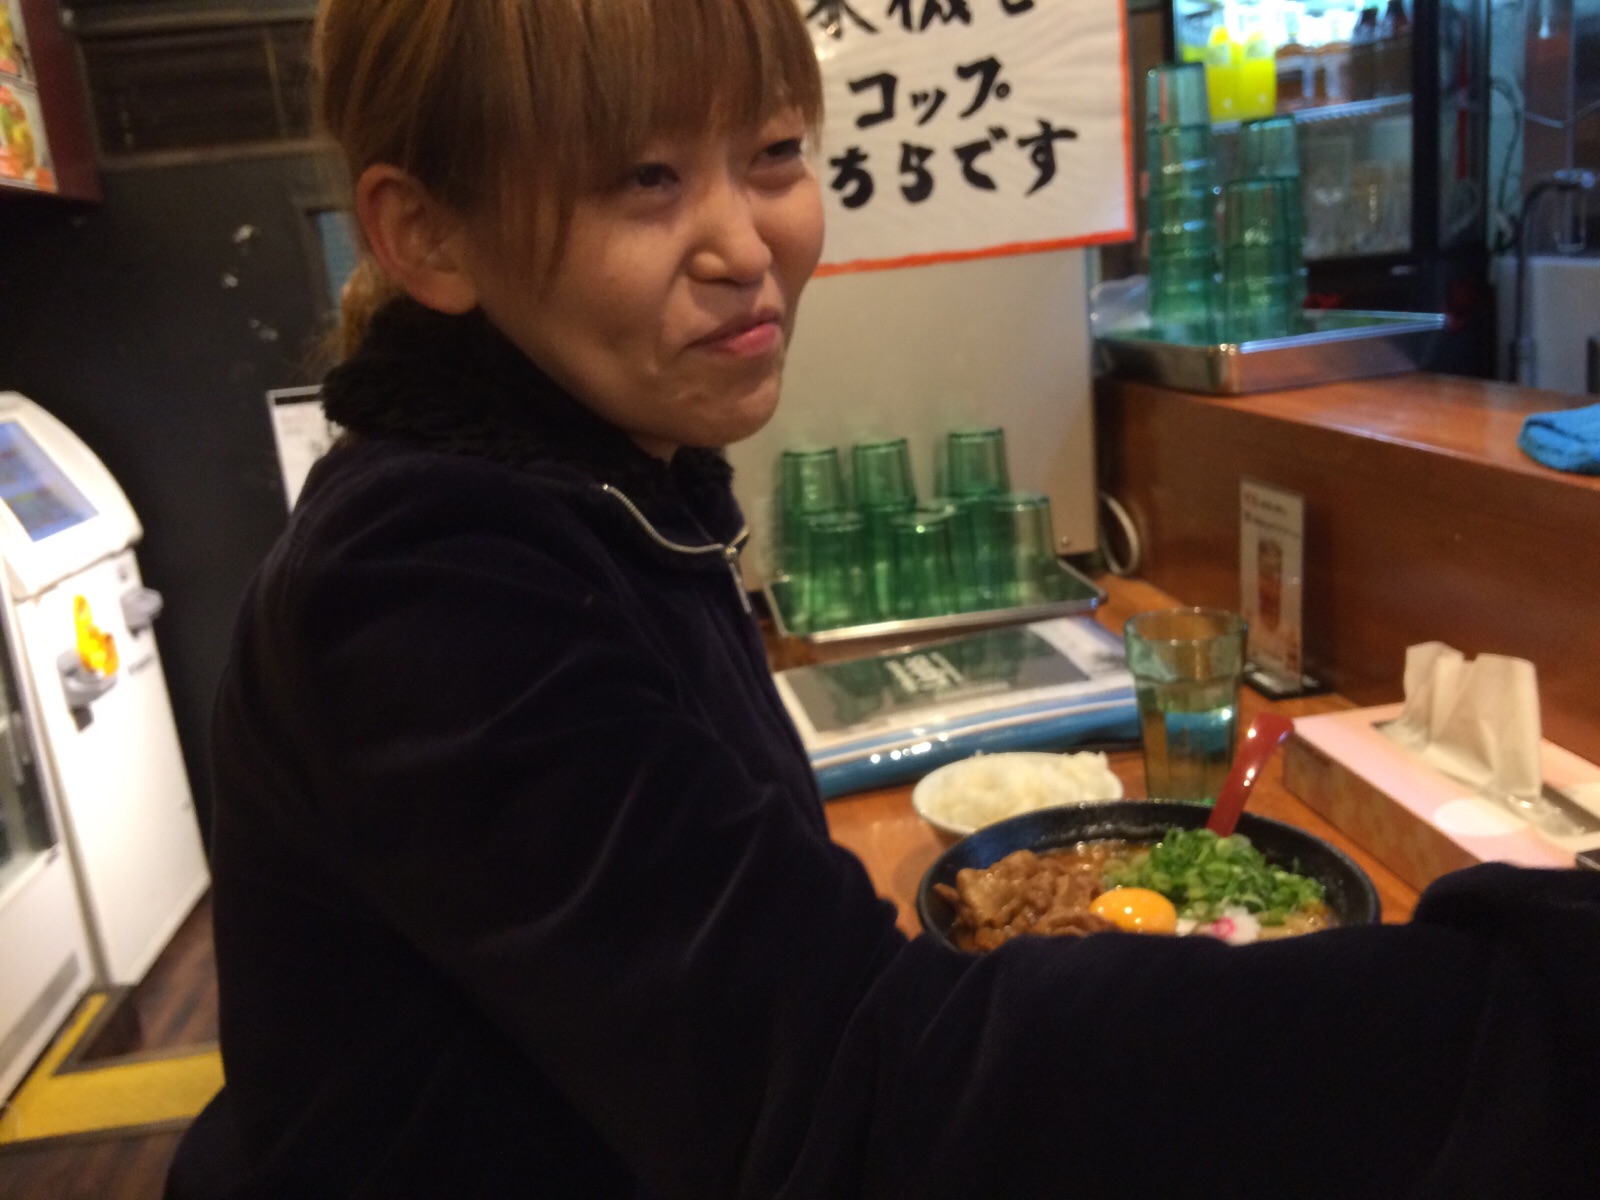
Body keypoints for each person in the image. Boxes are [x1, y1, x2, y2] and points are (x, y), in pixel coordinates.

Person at [172, 0, 1600, 1196]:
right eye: (644, 179)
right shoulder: (424, 576)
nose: (747, 244)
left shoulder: (598, 481)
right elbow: (861, 1090)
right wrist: (1513, 1018)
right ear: (428, 235)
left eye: (772, 153)